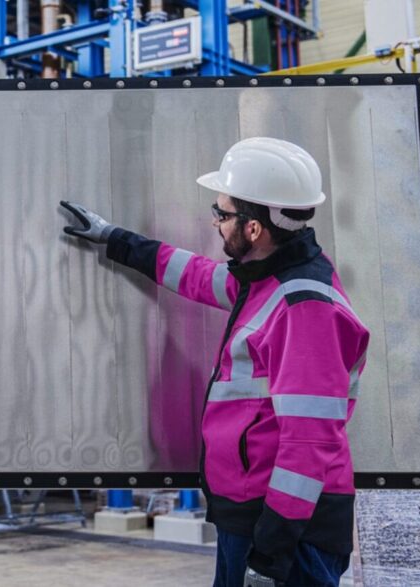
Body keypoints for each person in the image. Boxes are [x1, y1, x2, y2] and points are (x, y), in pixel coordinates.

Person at [61, 137, 369, 587]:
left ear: (254, 229)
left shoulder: (304, 308)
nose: (214, 222)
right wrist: (116, 240)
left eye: (222, 214)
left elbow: (308, 444)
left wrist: (270, 555)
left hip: (285, 534)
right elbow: (200, 276)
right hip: (255, 517)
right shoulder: (267, 280)